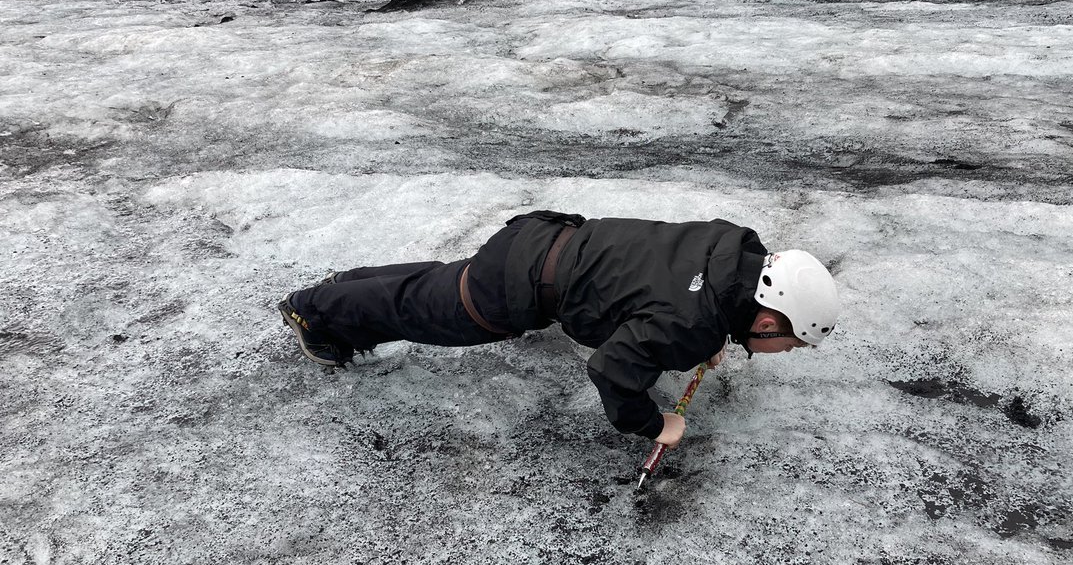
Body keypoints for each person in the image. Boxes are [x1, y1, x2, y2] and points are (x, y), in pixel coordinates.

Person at [279, 211, 840, 450]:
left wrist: (714, 332)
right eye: (791, 341)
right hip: (520, 284)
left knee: (443, 285)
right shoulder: (692, 325)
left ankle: (340, 289)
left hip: (547, 239)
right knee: (432, 312)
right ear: (768, 318)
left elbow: (675, 287)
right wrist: (653, 424)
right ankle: (317, 311)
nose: (785, 351)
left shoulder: (730, 249)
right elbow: (613, 369)